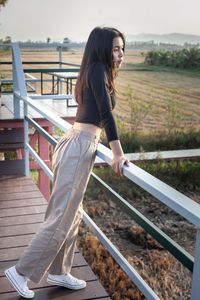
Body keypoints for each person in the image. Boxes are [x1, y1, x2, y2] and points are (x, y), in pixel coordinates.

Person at [4, 26, 129, 298]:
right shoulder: (98, 69)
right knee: (61, 217)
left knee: (72, 214)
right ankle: (22, 272)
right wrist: (117, 152)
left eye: (122, 48)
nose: (121, 54)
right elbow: (106, 113)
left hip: (77, 143)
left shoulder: (96, 70)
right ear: (102, 48)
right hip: (80, 146)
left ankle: (60, 271)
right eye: (116, 48)